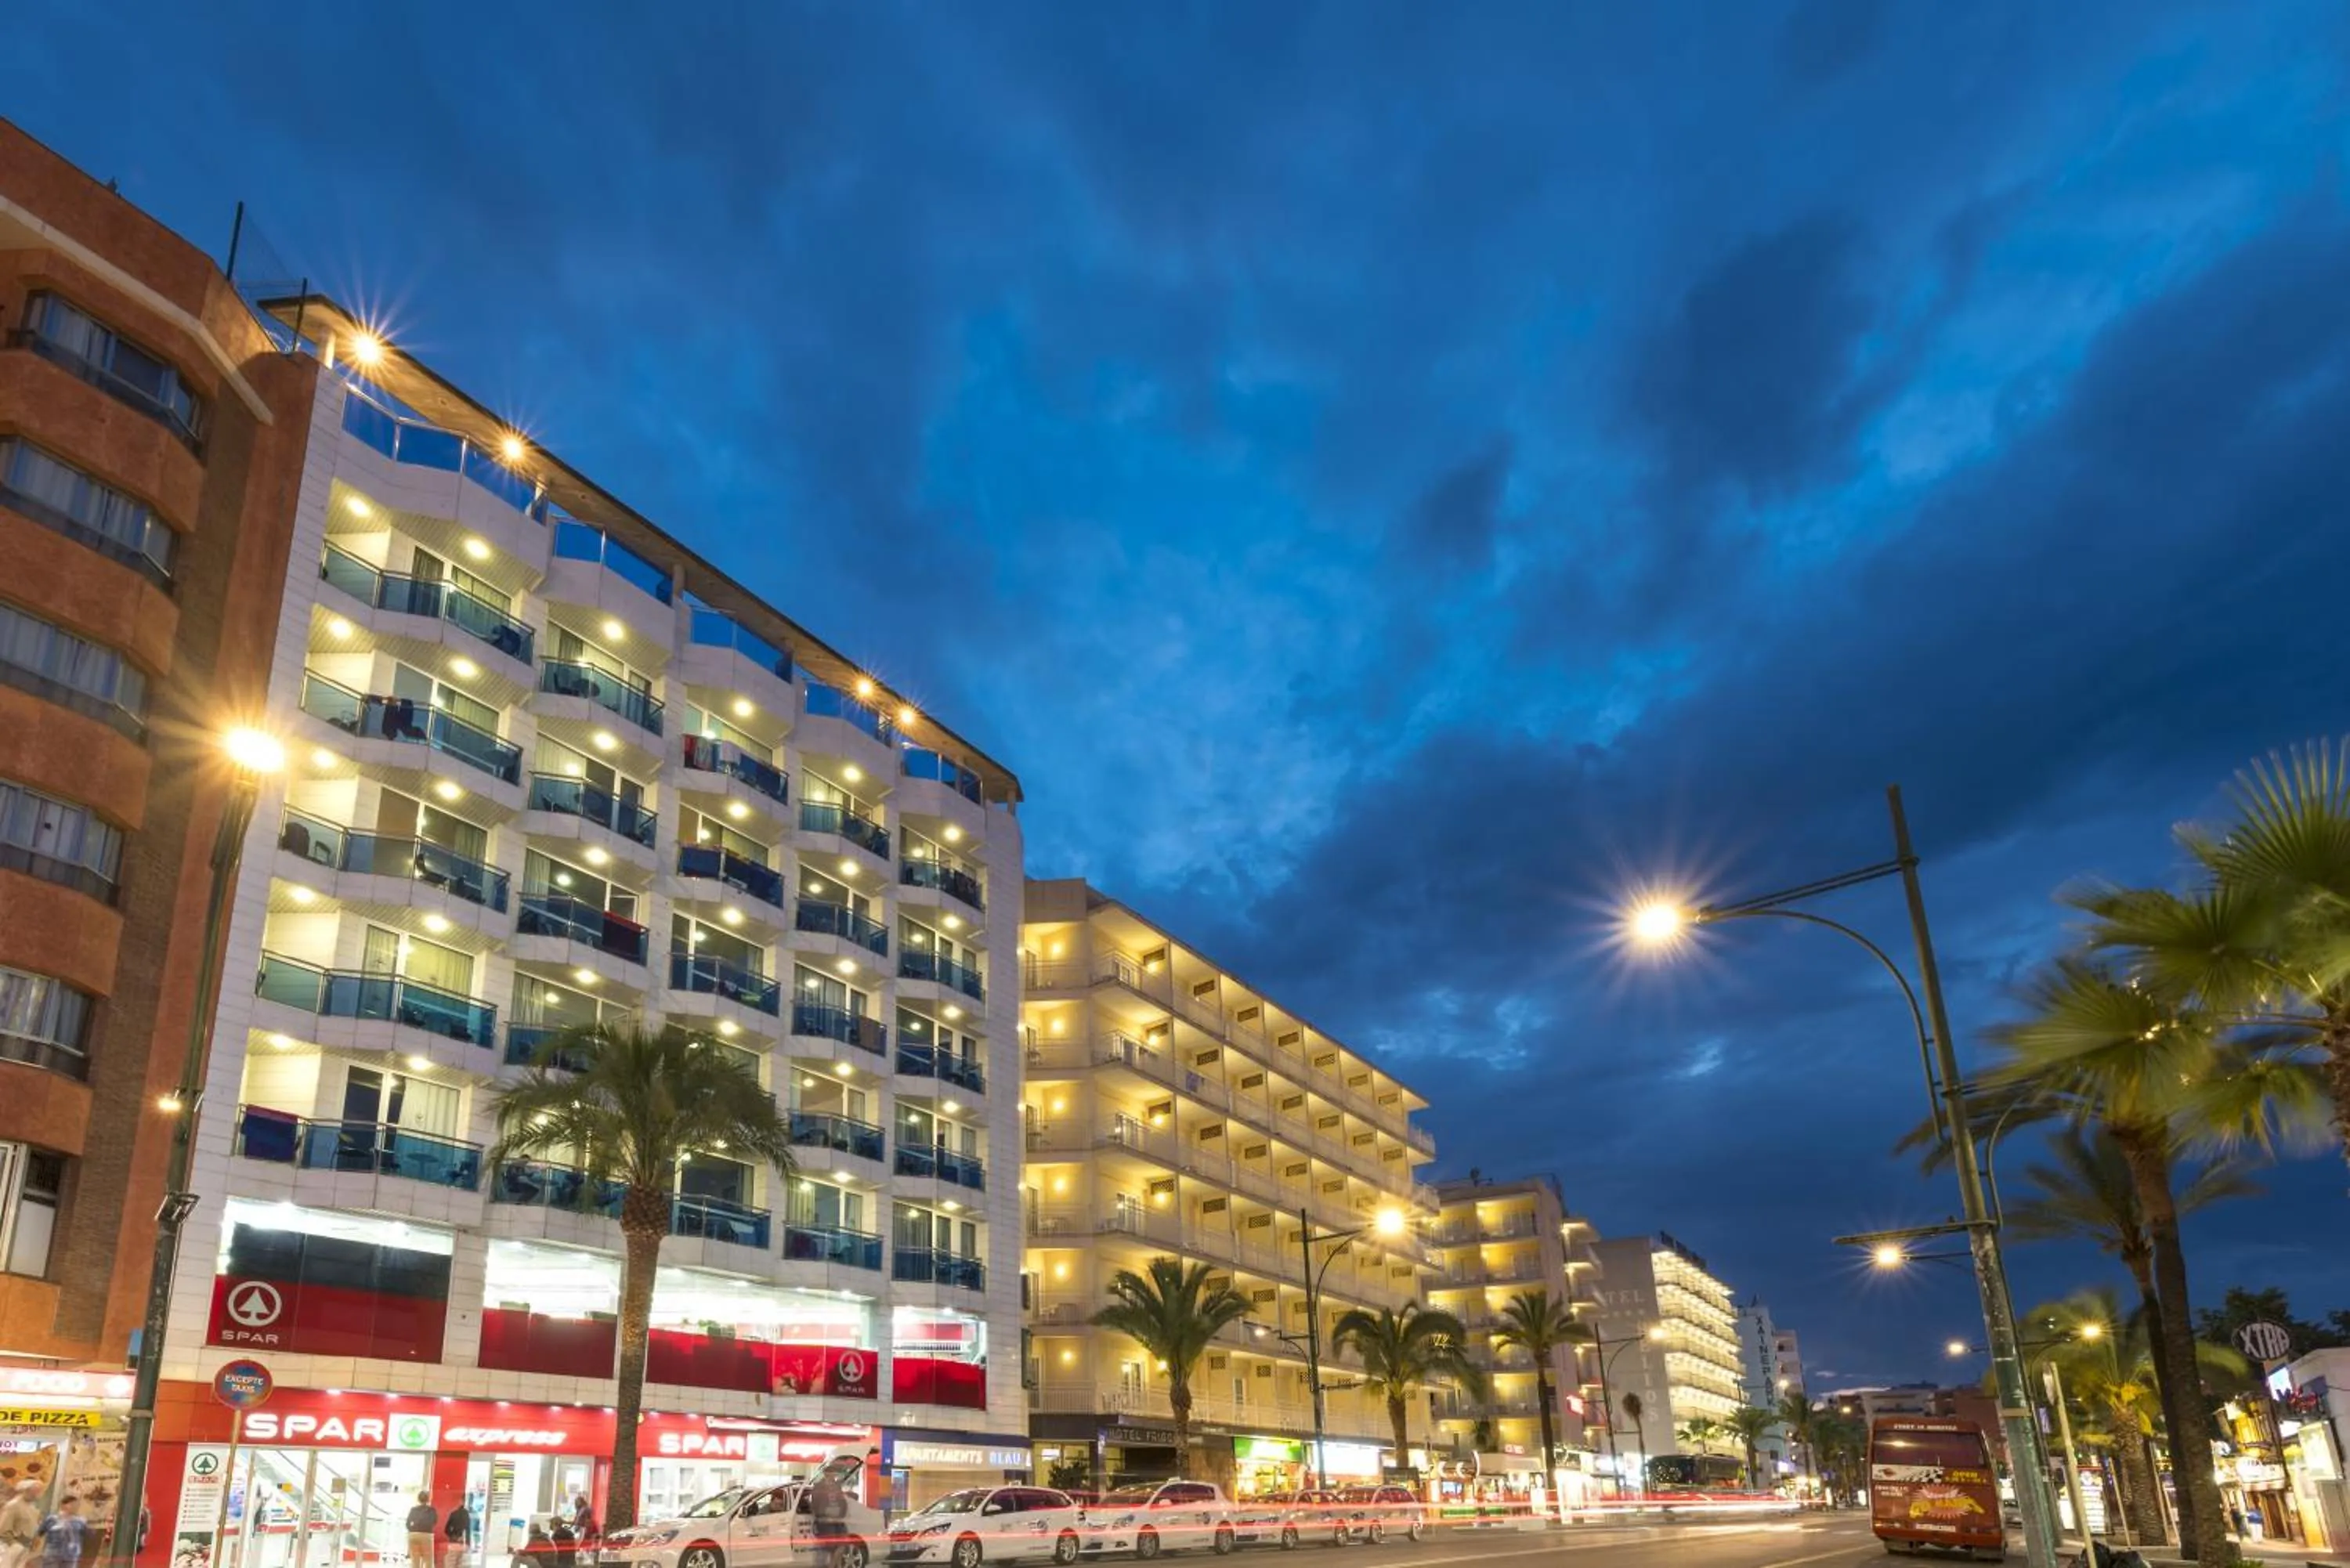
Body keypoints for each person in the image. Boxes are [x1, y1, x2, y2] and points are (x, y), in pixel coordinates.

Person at [1, 1482, 43, 1568]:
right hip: (11, 1546)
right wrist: (13, 1544)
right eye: (35, 1491)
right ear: (26, 1490)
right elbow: (3, 1528)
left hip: (26, 1547)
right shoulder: (13, 1505)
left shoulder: (33, 1508)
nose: (37, 1494)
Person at [35, 1499, 87, 1568]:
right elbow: (40, 1532)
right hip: (53, 1554)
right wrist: (36, 1544)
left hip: (71, 1555)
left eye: (77, 1505)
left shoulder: (81, 1521)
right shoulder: (52, 1519)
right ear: (63, 1506)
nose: (75, 1507)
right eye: (72, 1505)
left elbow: (85, 1536)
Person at [405, 1494, 437, 1568]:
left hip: (414, 1535)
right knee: (428, 1560)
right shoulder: (432, 1510)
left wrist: (412, 1530)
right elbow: (435, 1522)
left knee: (415, 1561)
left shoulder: (413, 1510)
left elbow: (407, 1523)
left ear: (418, 1499)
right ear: (428, 1499)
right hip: (426, 1535)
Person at [442, 1498, 473, 1568]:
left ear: (460, 1502)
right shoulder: (467, 1515)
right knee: (460, 1564)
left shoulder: (453, 1514)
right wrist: (468, 1543)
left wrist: (453, 1536)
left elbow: (446, 1530)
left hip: (453, 1543)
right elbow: (468, 1530)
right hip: (462, 1543)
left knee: (450, 1564)